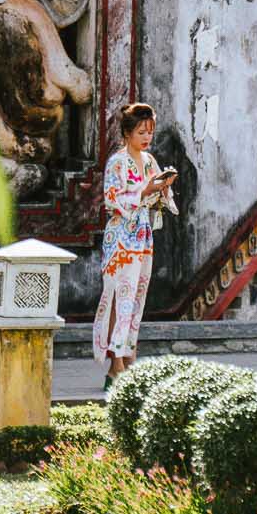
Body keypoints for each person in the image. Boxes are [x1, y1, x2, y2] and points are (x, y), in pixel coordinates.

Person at [92, 102, 177, 383]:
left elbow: (156, 201)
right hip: (120, 237)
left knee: (137, 297)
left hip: (142, 235)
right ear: (128, 132)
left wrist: (163, 189)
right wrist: (144, 191)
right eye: (141, 131)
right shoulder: (117, 162)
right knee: (120, 296)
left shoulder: (150, 162)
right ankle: (115, 362)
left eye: (150, 131)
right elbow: (112, 198)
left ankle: (130, 357)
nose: (147, 137)